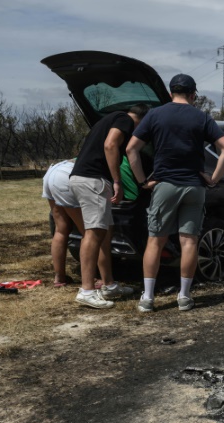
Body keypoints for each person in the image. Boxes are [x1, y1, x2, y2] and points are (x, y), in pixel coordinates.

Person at [126, 73, 224, 313]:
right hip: (194, 186)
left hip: (165, 184)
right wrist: (214, 178)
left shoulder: (155, 114)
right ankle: (184, 297)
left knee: (155, 240)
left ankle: (148, 298)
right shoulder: (202, 117)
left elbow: (131, 149)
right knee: (189, 241)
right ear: (194, 94)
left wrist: (142, 180)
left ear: (170, 93)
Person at [68, 104, 151, 309]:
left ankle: (109, 285)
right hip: (93, 180)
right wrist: (117, 181)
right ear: (142, 119)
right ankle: (87, 290)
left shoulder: (110, 119)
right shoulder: (125, 120)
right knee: (94, 233)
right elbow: (110, 145)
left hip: (85, 178)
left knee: (105, 232)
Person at [42, 158, 138, 290]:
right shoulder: (123, 161)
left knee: (61, 229)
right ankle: (100, 280)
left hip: (53, 171)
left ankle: (59, 278)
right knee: (92, 235)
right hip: (69, 175)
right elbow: (133, 194)